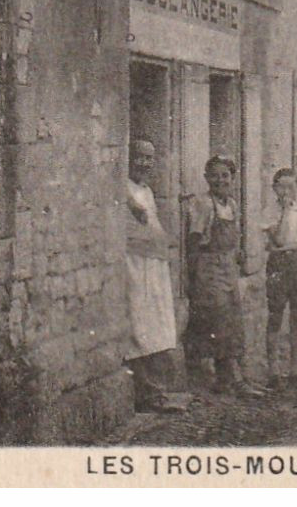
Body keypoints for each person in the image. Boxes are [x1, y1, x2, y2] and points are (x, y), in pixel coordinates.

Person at [184, 156, 262, 396]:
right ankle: (229, 378)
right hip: (209, 267)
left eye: (225, 175)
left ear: (232, 179)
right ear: (207, 178)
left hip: (228, 267)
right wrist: (193, 275)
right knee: (218, 318)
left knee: (233, 320)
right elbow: (195, 240)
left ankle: (235, 377)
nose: (220, 180)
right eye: (215, 175)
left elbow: (235, 240)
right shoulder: (205, 204)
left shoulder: (232, 205)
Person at [124, 140, 185, 413]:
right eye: (139, 157)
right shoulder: (123, 188)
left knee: (158, 326)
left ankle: (157, 391)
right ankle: (146, 392)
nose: (144, 163)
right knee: (140, 325)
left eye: (149, 158)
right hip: (135, 264)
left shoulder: (147, 191)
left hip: (153, 263)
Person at [263, 167, 297, 391]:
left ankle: (295, 370)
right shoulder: (270, 212)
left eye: (291, 187)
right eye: (281, 186)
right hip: (278, 267)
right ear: (274, 188)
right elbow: (277, 238)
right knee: (275, 316)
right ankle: (273, 371)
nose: (286, 191)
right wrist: (283, 213)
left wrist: (287, 248)